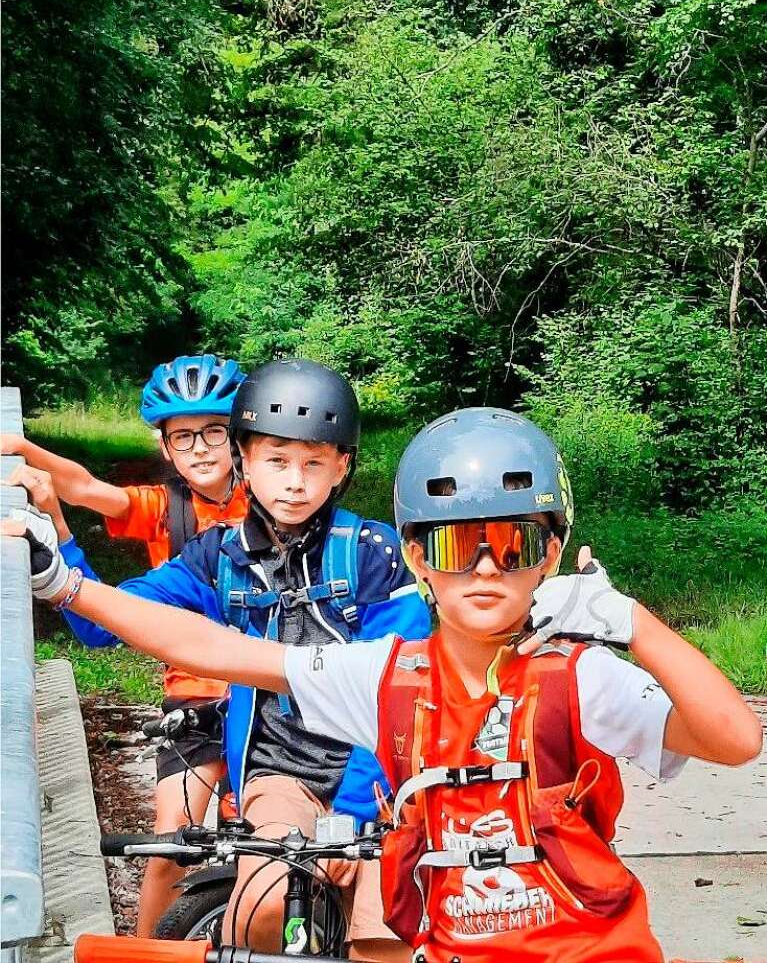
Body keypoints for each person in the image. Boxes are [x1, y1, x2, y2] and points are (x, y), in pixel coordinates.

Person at [7, 407, 761, 963]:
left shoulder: (579, 677)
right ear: (417, 558)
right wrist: (65, 584)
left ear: (552, 550)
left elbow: (733, 739)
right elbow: (213, 647)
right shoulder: (387, 673)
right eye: (456, 544)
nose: (487, 568)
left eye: (514, 541)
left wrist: (631, 621)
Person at [9, 358, 431, 961]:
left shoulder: (373, 555)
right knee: (263, 909)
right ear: (246, 460)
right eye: (276, 461)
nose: (294, 482)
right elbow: (107, 626)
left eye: (314, 463)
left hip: (382, 776)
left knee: (381, 932)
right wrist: (59, 566)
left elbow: (400, 693)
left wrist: (354, 817)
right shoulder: (219, 556)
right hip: (281, 769)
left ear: (341, 467)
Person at [1, 353, 248, 937]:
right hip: (196, 692)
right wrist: (18, 449)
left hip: (266, 692)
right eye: (183, 438)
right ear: (165, 449)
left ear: (239, 436)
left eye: (215, 431)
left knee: (267, 843)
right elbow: (88, 487)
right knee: (170, 844)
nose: (201, 449)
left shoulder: (274, 497)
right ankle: (141, 951)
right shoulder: (167, 510)